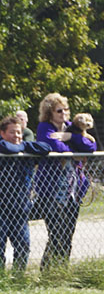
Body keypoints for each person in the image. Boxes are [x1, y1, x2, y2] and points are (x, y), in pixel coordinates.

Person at [34, 93, 89, 269]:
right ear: (50, 113)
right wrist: (74, 149)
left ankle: (62, 270)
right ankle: (47, 270)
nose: (64, 113)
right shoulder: (44, 127)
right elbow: (53, 146)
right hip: (52, 190)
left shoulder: (71, 127)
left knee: (68, 234)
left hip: (73, 190)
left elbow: (91, 146)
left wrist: (70, 138)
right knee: (57, 233)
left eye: (66, 109)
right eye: (59, 110)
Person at [0, 115, 51, 273]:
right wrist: (23, 147)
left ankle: (18, 277)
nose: (17, 136)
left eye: (19, 132)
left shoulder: (24, 148)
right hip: (1, 207)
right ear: (2, 133)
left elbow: (46, 148)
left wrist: (22, 145)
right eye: (12, 132)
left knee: (23, 246)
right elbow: (6, 148)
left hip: (20, 208)